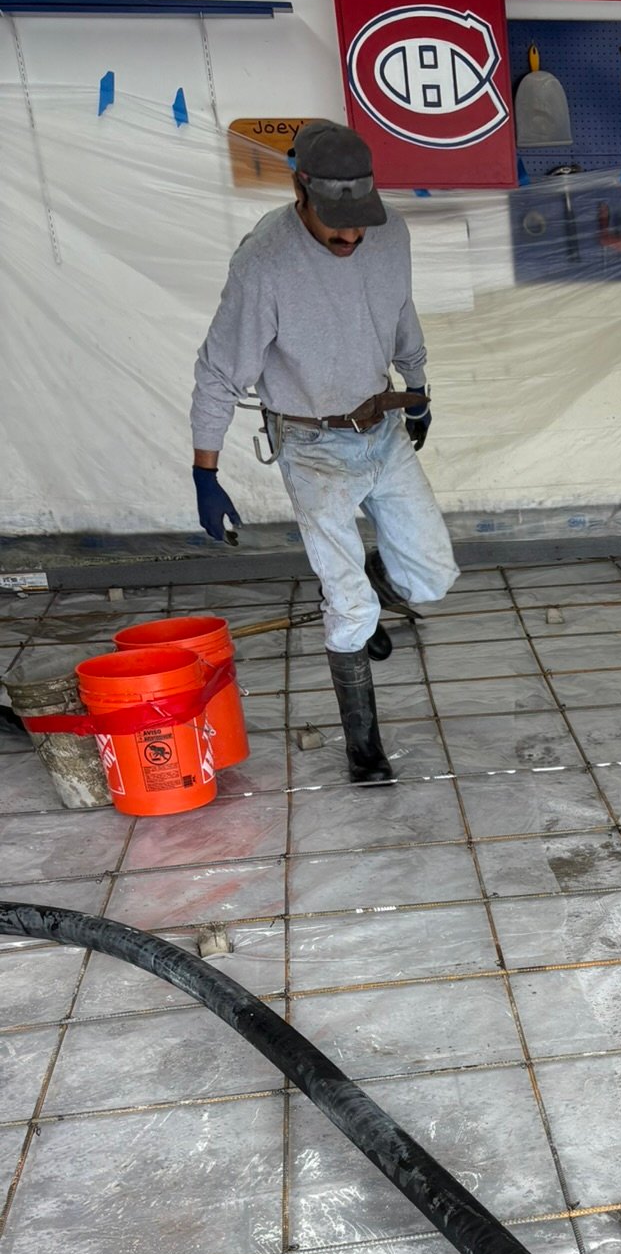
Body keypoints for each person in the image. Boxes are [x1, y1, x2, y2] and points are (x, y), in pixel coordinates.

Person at [190, 119, 459, 783]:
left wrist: (417, 387)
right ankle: (364, 750)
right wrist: (205, 470)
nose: (352, 236)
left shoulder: (389, 233)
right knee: (349, 608)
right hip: (309, 444)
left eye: (360, 220)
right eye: (337, 222)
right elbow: (219, 372)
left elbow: (400, 311)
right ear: (299, 190)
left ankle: (365, 590)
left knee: (431, 577)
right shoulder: (264, 263)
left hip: (381, 428)